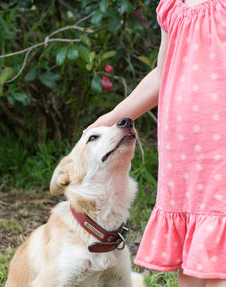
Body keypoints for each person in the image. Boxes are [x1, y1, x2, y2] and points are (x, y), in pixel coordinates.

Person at [84, 0, 226, 286]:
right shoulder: (172, 6)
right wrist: (114, 116)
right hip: (182, 147)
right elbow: (163, 72)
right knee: (192, 257)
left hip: (220, 143)